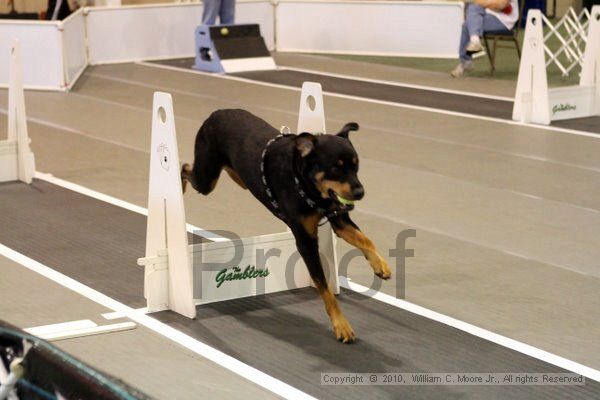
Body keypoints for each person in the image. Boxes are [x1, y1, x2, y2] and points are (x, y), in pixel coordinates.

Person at [451, 0, 519, 78]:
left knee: (468, 25)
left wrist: (482, 3)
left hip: (504, 21)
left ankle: (466, 59)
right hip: (487, 14)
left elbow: (502, 5)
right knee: (472, 12)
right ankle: (474, 41)